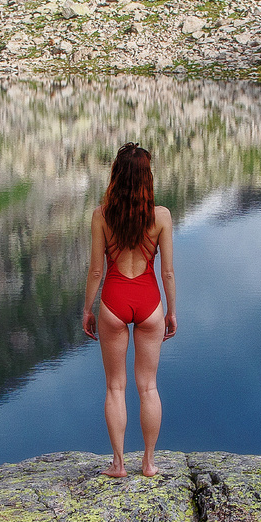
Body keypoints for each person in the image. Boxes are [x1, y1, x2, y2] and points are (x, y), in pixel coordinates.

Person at [81, 142, 176, 478]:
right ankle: (148, 463)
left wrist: (87, 310)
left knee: (115, 387)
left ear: (116, 175)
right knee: (148, 387)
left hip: (114, 302)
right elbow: (167, 272)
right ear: (146, 178)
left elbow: (96, 271)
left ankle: (119, 464)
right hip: (150, 302)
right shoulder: (161, 216)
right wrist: (171, 312)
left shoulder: (101, 216)